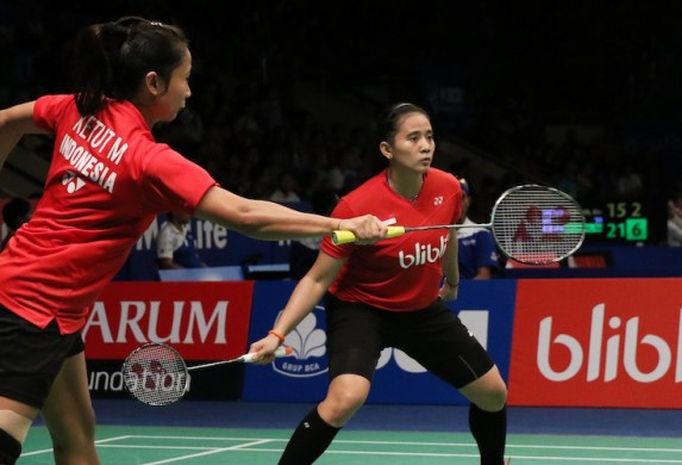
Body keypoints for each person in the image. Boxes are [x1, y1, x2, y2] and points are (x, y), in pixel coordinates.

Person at [0, 17, 386, 465]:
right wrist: (342, 225)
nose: (189, 92)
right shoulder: (149, 160)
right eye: (185, 79)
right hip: (34, 310)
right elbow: (246, 216)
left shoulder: (78, 108)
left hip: (48, 306)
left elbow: (6, 120)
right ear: (153, 83)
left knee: (77, 441)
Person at [251, 103, 508, 465]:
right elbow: (318, 277)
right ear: (388, 150)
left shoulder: (447, 187)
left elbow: (447, 235)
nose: (426, 146)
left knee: (493, 393)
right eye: (413, 138)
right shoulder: (355, 207)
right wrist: (278, 335)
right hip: (362, 309)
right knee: (345, 399)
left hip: (420, 311)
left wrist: (451, 280)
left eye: (430, 137)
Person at [456, 179, 500, 279]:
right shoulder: (433, 234)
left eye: (462, 197)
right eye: (453, 198)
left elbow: (483, 276)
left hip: (468, 292)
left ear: (468, 201)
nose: (457, 203)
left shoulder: (481, 234)